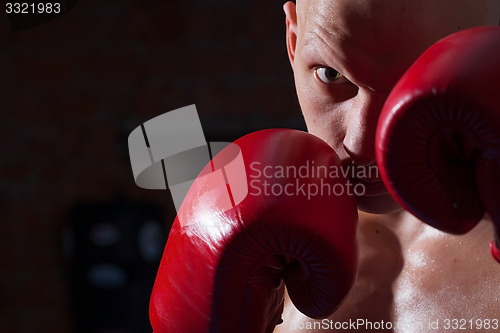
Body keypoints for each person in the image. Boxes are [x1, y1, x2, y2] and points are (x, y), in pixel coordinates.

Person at [275, 0, 500, 332]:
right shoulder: (259, 234)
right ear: (293, 41)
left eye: (415, 83)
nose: (361, 146)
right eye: (332, 74)